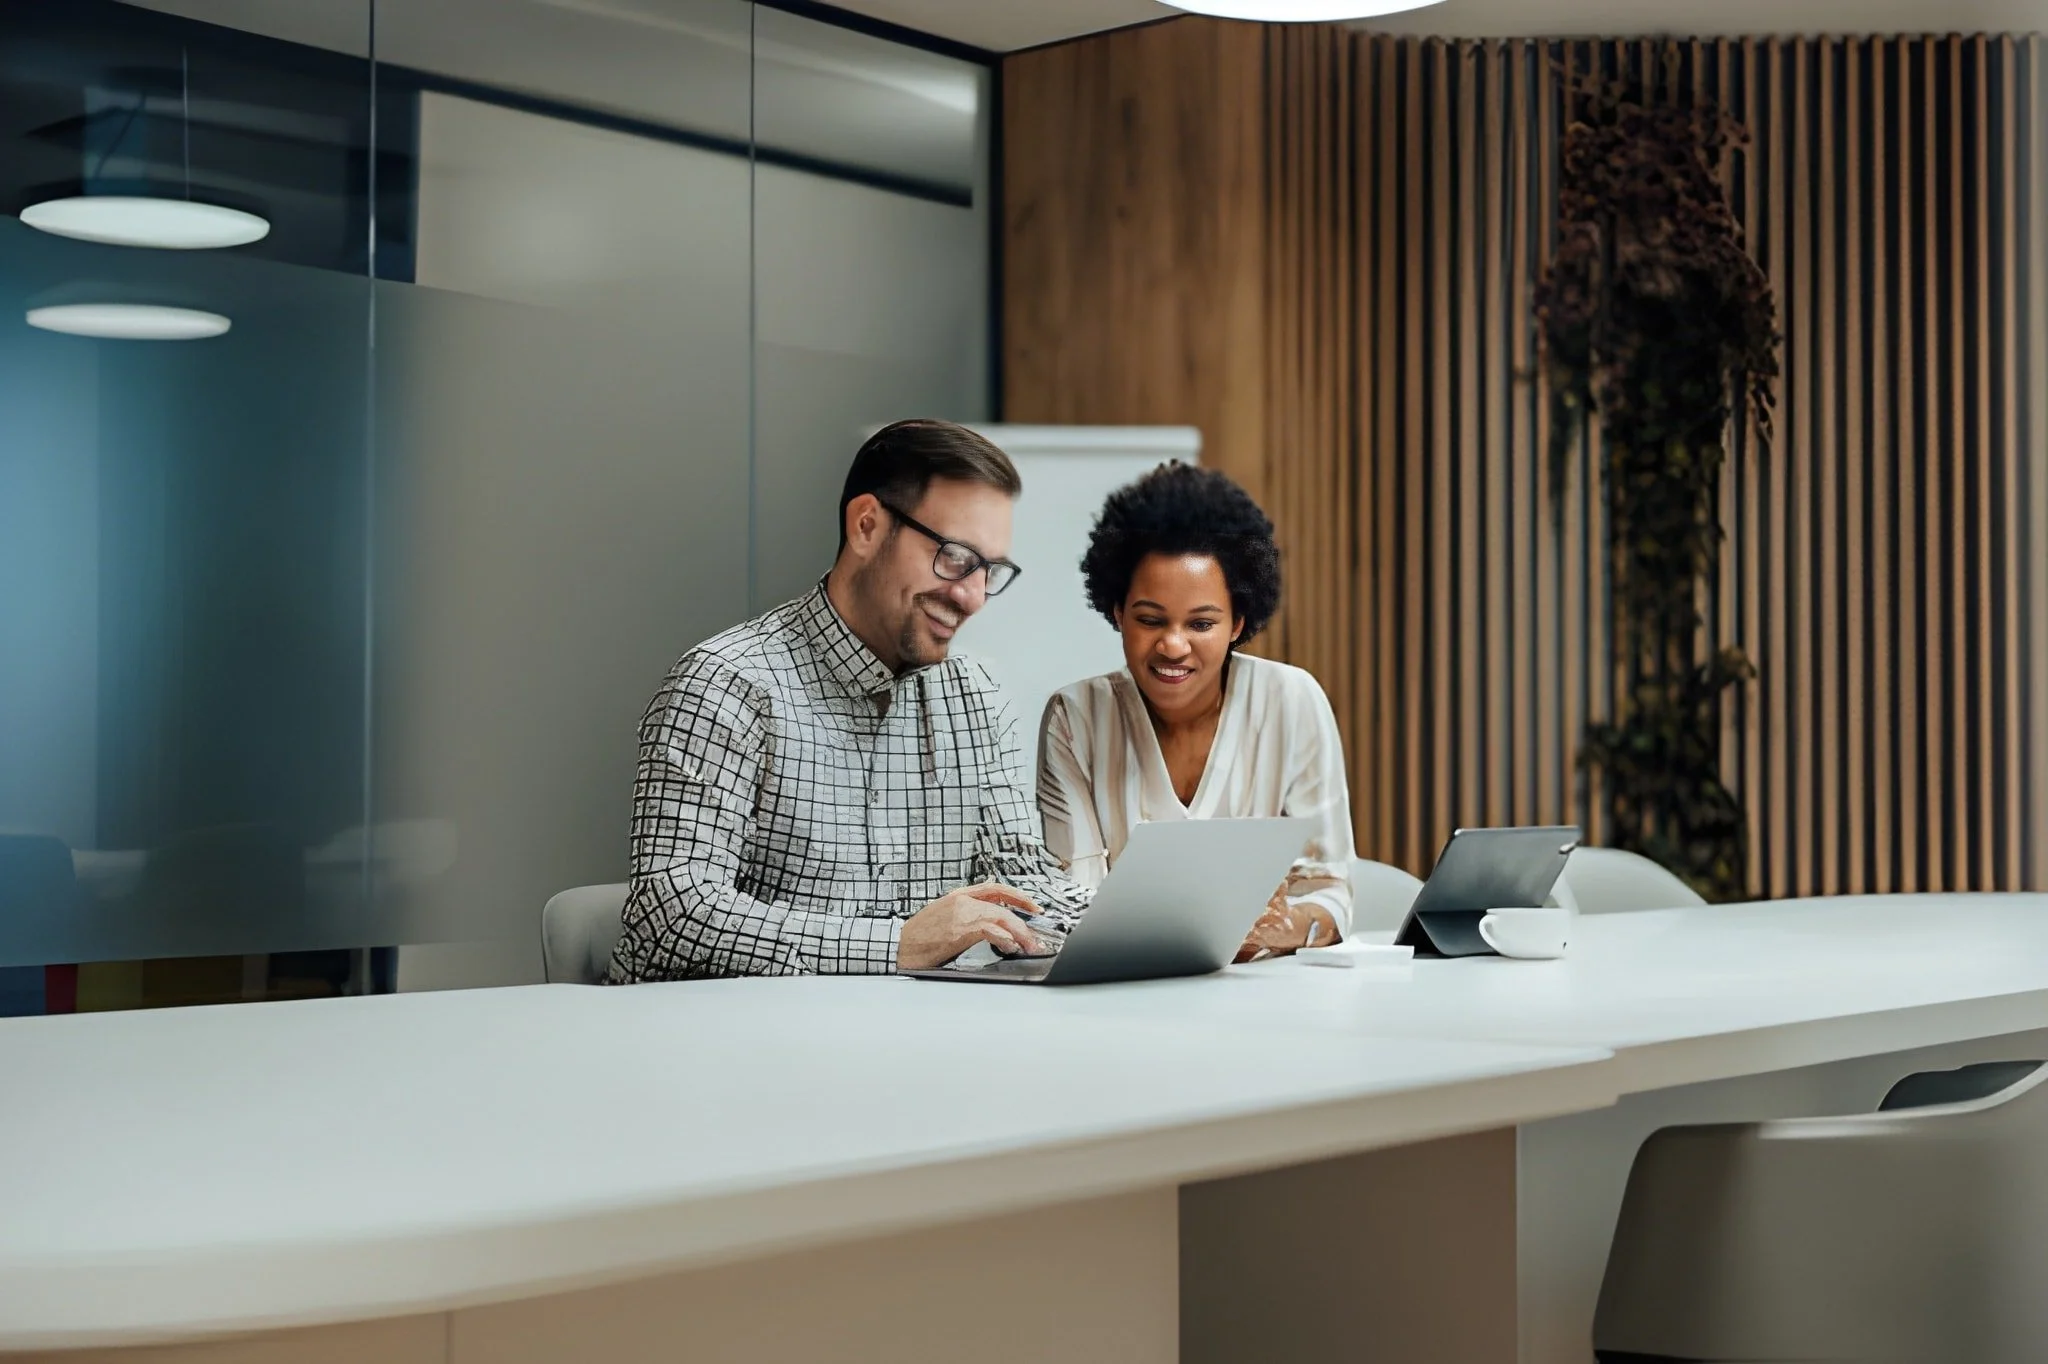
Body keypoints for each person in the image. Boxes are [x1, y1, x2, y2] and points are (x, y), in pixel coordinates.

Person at [608, 419, 1088, 982]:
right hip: (722, 1049)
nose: (972, 597)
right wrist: (898, 943)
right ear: (866, 527)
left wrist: (1143, 926)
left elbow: (1022, 880)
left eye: (989, 571)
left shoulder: (977, 699)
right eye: (955, 557)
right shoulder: (723, 686)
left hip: (900, 1045)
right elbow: (670, 917)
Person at [1036, 463, 1354, 960]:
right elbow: (1071, 903)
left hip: (1267, 1002)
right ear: (1116, 611)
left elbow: (1330, 887)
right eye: (1149, 620)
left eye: (1201, 623)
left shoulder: (1292, 701)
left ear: (1238, 622)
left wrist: (1288, 925)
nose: (1173, 645)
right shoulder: (1075, 719)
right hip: (1122, 998)